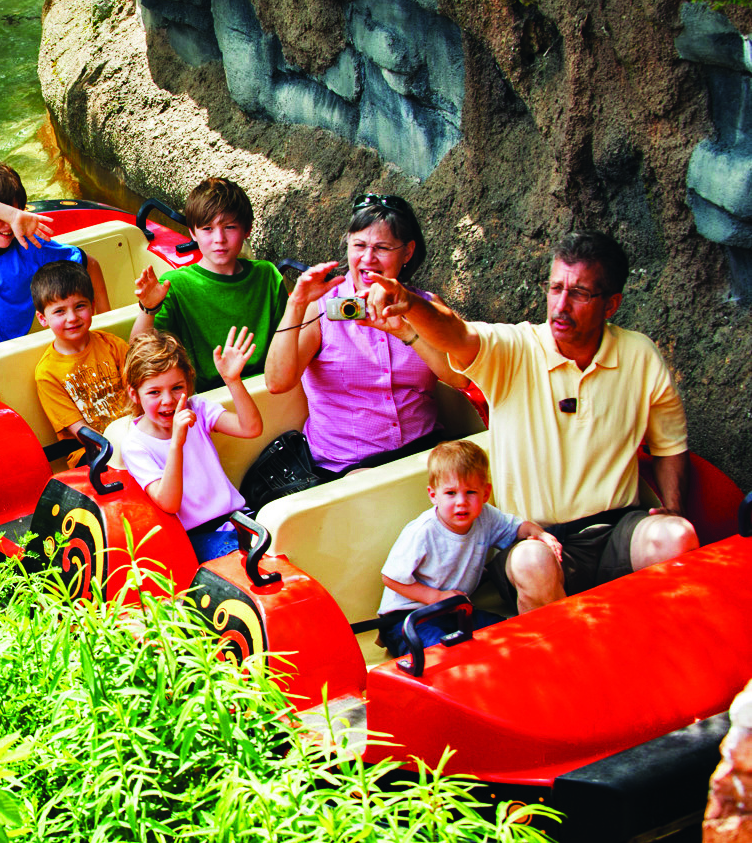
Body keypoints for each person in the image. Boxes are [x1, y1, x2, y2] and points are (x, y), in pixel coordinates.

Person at [366, 230, 696, 612]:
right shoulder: (517, 349)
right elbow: (458, 335)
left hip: (616, 528)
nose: (561, 305)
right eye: (555, 288)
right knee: (532, 562)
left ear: (611, 304)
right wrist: (409, 304)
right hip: (533, 539)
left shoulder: (640, 354)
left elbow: (670, 445)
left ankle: (657, 656)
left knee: (677, 536)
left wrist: (673, 508)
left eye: (580, 293)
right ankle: (563, 667)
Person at [264, 192, 468, 479]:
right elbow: (276, 382)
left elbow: (460, 377)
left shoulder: (425, 305)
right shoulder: (321, 305)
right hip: (347, 467)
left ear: (407, 253)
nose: (368, 258)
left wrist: (407, 330)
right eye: (359, 245)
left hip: (424, 459)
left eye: (382, 248)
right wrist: (296, 304)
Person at [378, 440, 562, 655]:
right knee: (439, 654)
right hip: (408, 617)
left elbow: (518, 527)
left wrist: (538, 534)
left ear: (485, 494)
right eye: (451, 493)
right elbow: (390, 578)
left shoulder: (486, 516)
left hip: (454, 612)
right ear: (433, 495)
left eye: (471, 492)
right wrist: (436, 597)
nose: (461, 502)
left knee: (506, 632)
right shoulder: (423, 531)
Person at [0, 163, 108, 365]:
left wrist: (104, 328)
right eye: (0, 216)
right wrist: (12, 215)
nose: (9, 225)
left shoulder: (30, 245)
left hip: (5, 362)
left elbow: (90, 265)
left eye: (16, 212)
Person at [120, 329, 263, 561]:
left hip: (237, 521)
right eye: (154, 392)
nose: (168, 400)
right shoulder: (136, 444)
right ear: (135, 394)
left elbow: (251, 428)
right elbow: (169, 503)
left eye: (177, 388)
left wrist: (233, 380)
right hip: (195, 537)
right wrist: (177, 442)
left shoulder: (198, 409)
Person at [132, 177, 286, 387]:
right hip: (208, 404)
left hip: (268, 388)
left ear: (247, 229)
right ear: (192, 232)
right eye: (207, 229)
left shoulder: (267, 276)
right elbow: (140, 354)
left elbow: (289, 342)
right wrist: (148, 309)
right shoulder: (175, 285)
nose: (219, 239)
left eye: (230, 227)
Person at [31, 261, 128, 466]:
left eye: (79, 306)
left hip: (133, 433)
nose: (72, 318)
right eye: (59, 311)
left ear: (92, 306)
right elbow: (81, 431)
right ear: (43, 318)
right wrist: (119, 447)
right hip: (91, 450)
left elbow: (140, 395)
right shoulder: (47, 373)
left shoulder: (113, 345)